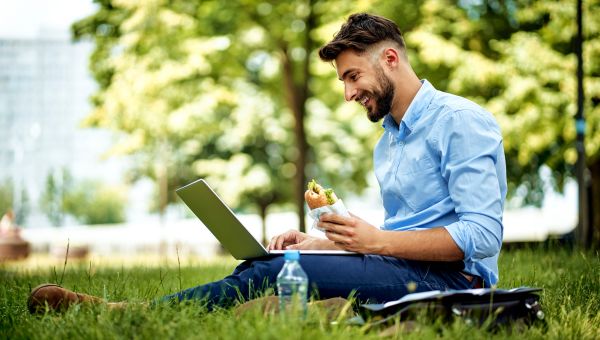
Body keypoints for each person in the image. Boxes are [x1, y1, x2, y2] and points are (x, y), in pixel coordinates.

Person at [28, 13, 506, 314]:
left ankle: (129, 311)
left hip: (456, 282)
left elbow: (482, 237)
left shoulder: (461, 122)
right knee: (270, 262)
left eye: (353, 76)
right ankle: (171, 304)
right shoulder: (389, 141)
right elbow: (411, 234)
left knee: (276, 274)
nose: (348, 93)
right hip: (408, 269)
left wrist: (376, 240)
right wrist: (325, 243)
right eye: (343, 81)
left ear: (390, 58)